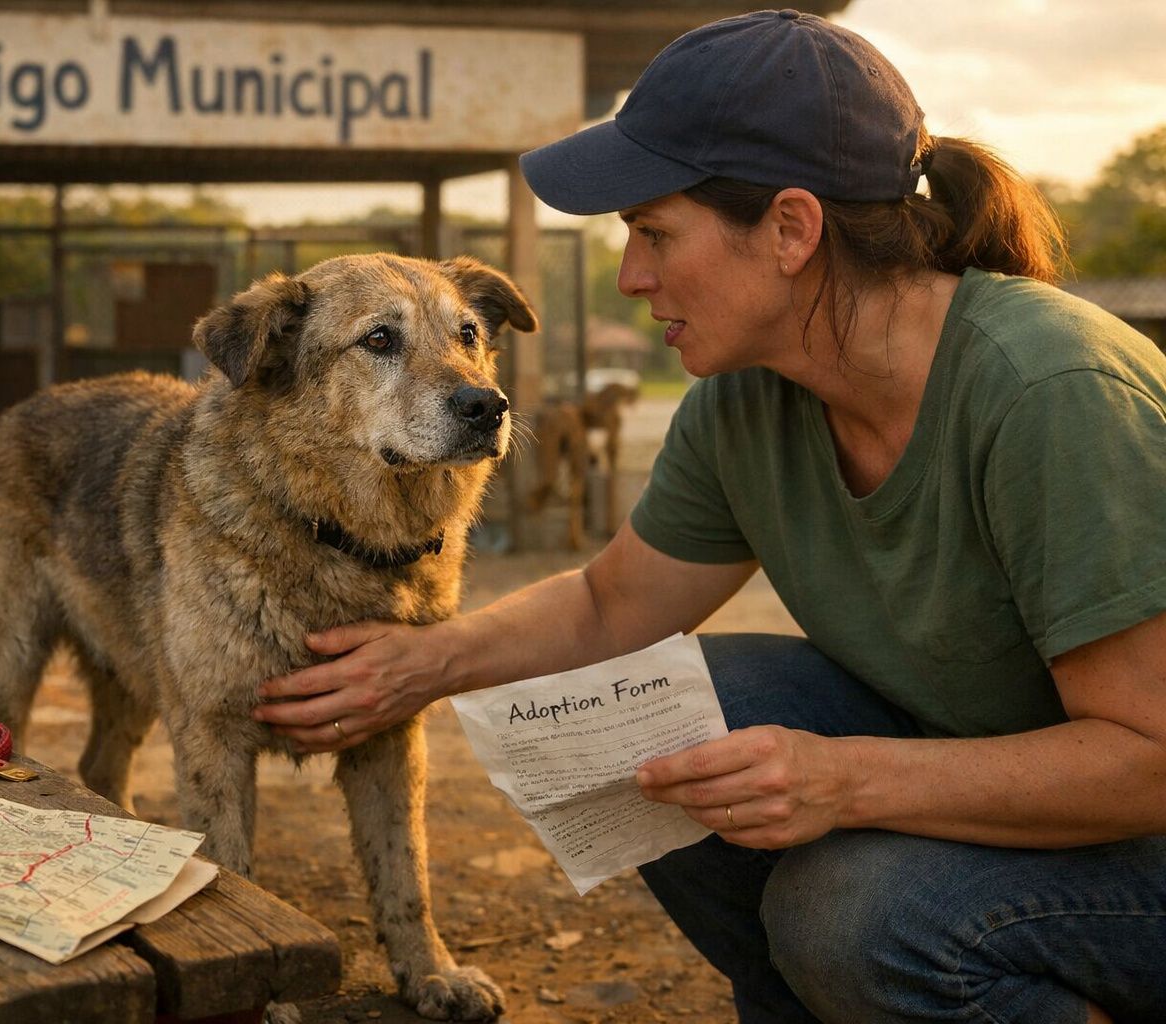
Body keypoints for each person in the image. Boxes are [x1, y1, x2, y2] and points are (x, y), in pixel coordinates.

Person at [253, 9, 1166, 1022]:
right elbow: (613, 603)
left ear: (790, 229)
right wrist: (423, 661)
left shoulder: (1051, 390)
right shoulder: (751, 392)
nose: (631, 276)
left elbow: (1147, 759)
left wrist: (845, 779)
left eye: (654, 234)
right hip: (997, 769)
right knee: (655, 727)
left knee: (855, 914)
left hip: (1144, 838)